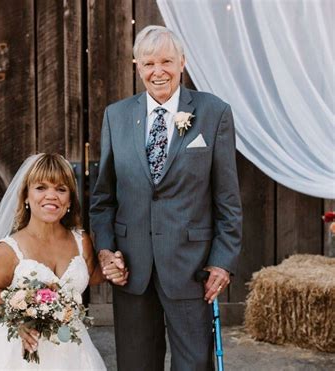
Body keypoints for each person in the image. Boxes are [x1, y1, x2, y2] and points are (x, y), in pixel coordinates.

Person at [90, 25, 242, 370]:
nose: (158, 71)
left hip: (192, 270)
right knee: (136, 364)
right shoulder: (116, 116)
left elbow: (227, 199)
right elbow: (103, 198)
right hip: (132, 270)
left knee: (193, 365)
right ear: (136, 66)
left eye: (166, 61)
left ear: (183, 62)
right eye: (148, 63)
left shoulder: (214, 112)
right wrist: (105, 249)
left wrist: (222, 260)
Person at [0, 153, 128, 370]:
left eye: (61, 189)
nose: (51, 195)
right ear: (25, 196)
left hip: (71, 352)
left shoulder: (80, 241)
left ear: (69, 200)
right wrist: (18, 321)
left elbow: (92, 274)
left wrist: (114, 271)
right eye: (41, 188)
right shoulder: (8, 250)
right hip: (19, 354)